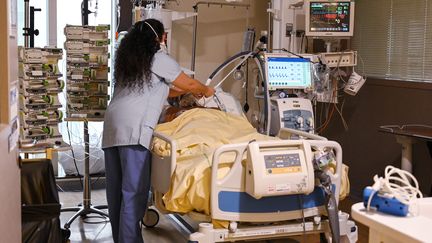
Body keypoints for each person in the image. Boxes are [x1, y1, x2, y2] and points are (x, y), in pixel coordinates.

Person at [102, 18, 215, 243]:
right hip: (134, 129)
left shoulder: (130, 61)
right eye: (164, 36)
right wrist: (207, 90)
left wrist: (184, 95)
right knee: (133, 194)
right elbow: (190, 85)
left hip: (113, 126)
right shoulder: (159, 58)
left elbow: (163, 89)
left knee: (116, 194)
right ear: (160, 37)